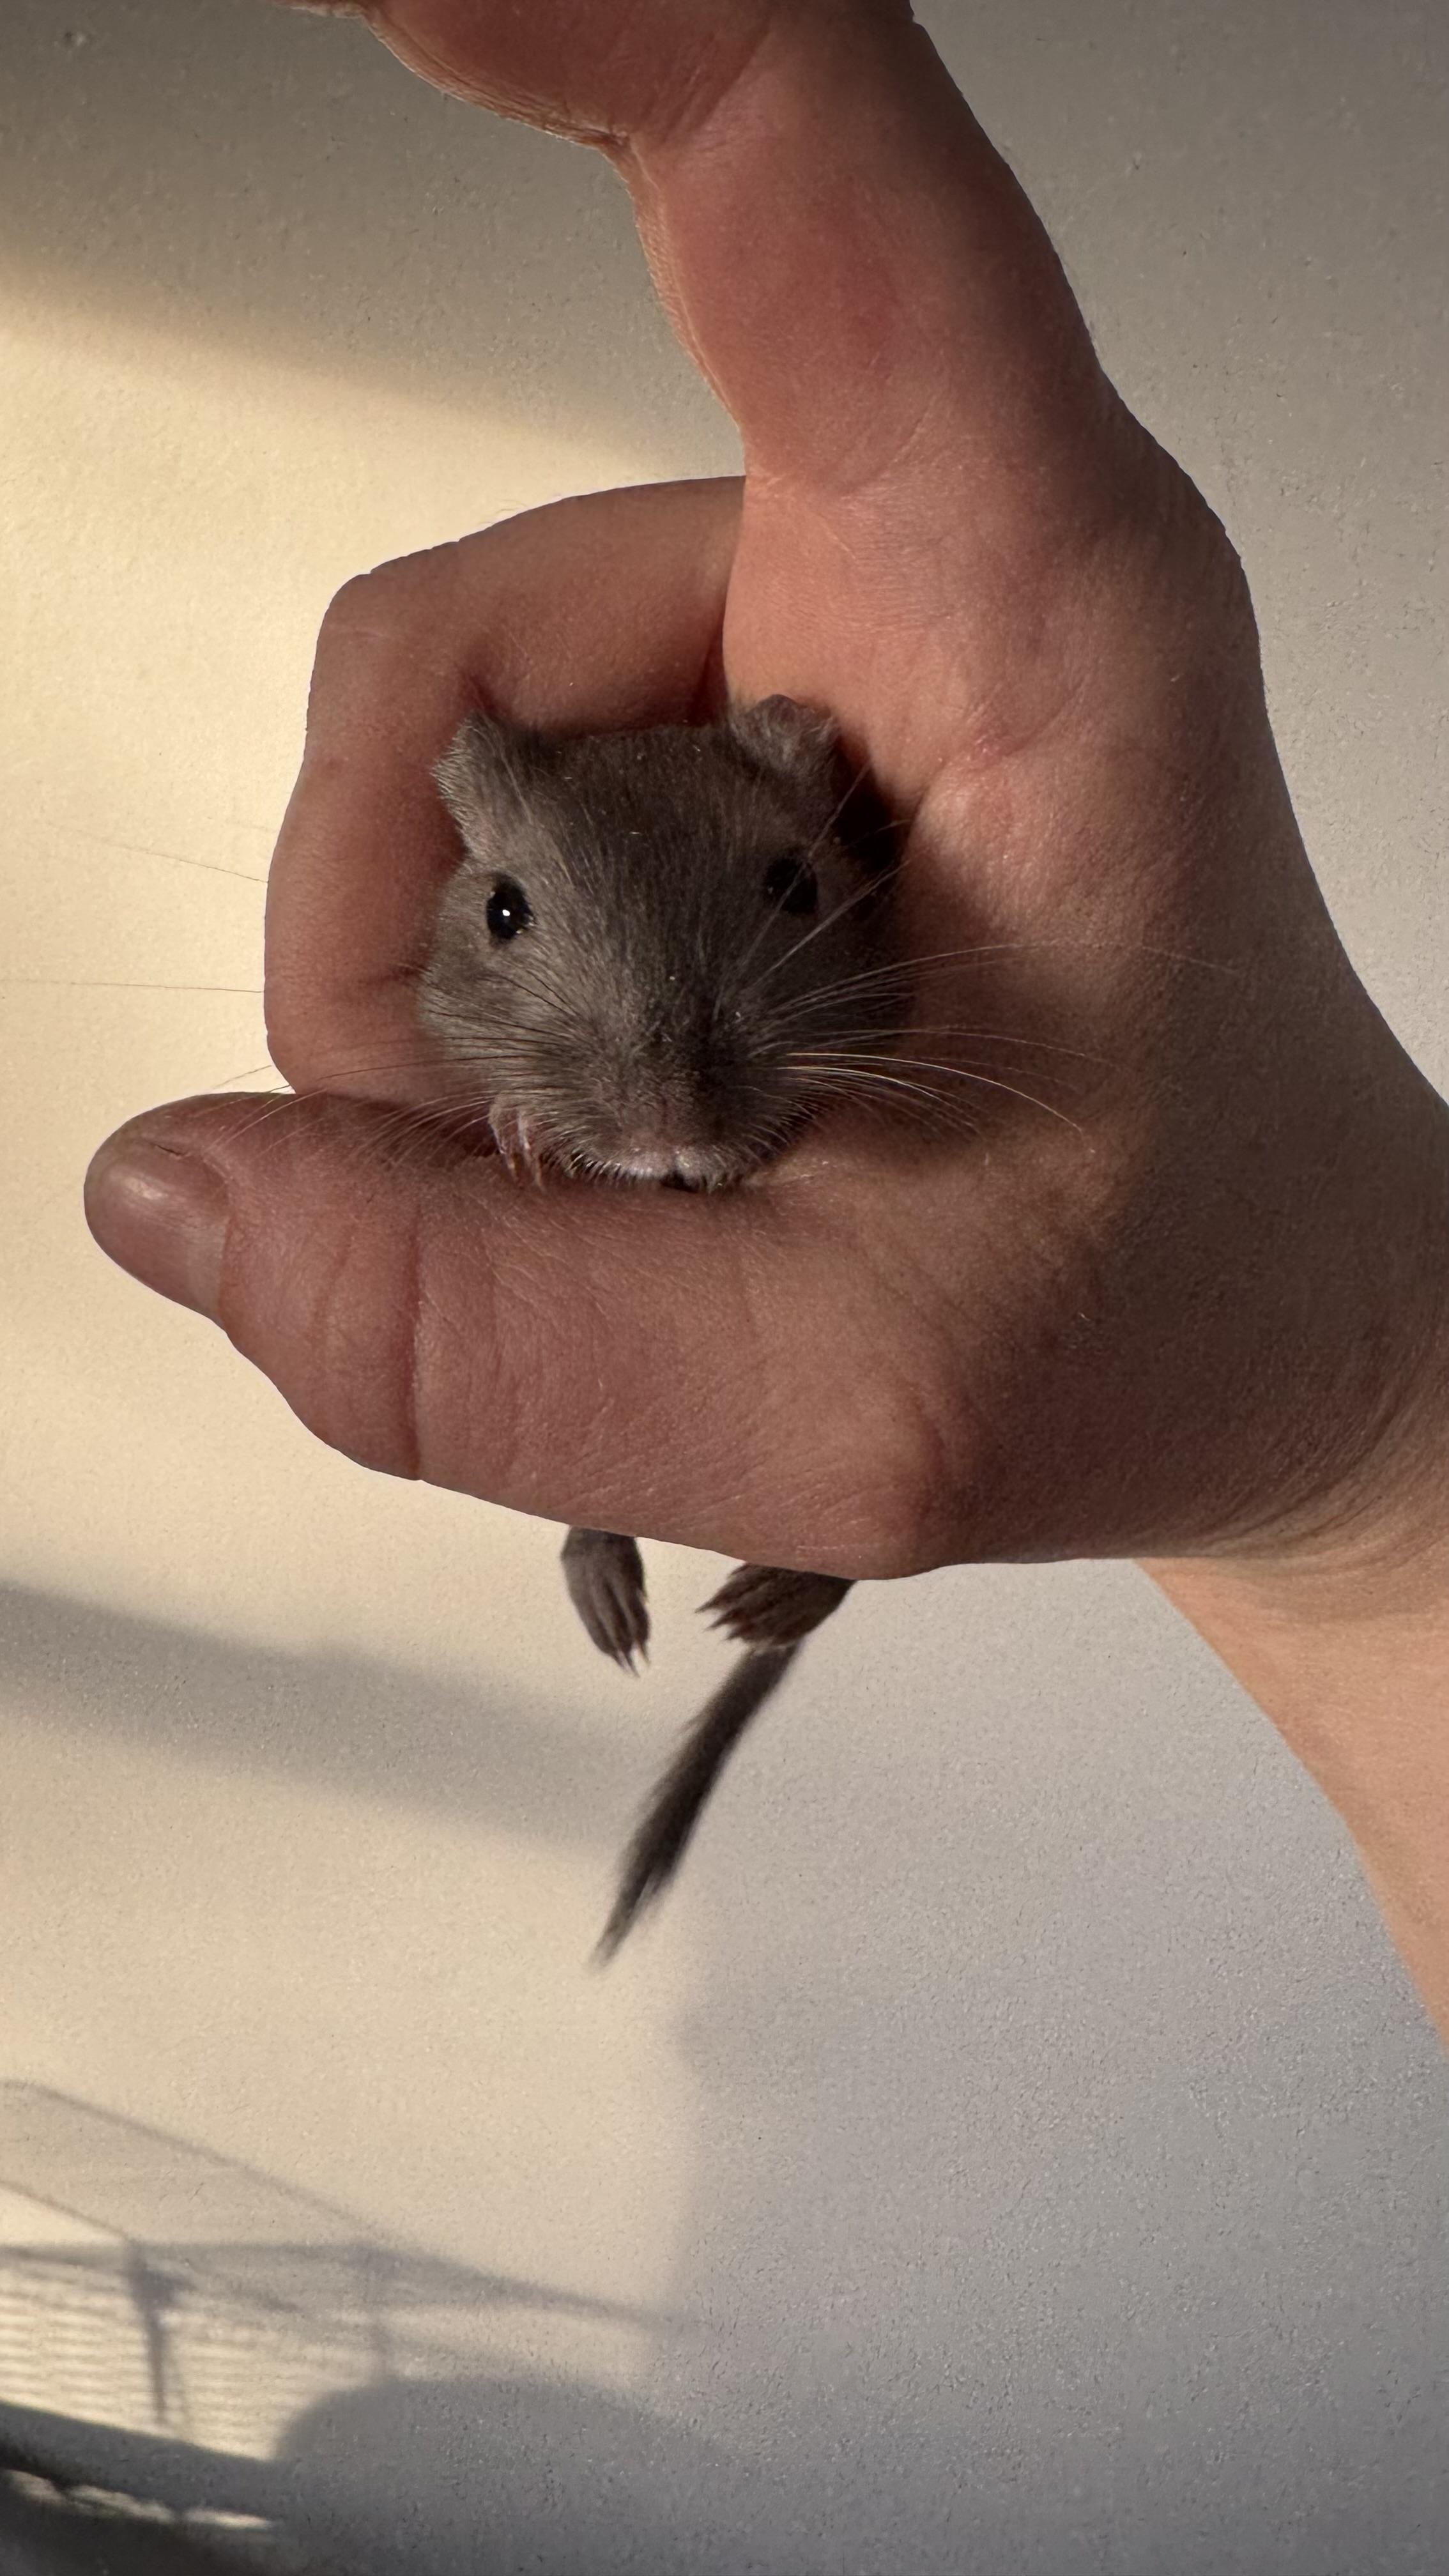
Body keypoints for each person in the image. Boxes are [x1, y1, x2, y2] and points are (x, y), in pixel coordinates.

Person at [85, 1, 1449, 2035]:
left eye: (785, 897)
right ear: (472, 861)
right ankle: (642, 1529)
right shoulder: (494, 991)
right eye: (518, 921)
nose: (664, 1068)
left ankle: (794, 1557)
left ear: (826, 823)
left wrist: (1360, 1430)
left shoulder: (898, 994)